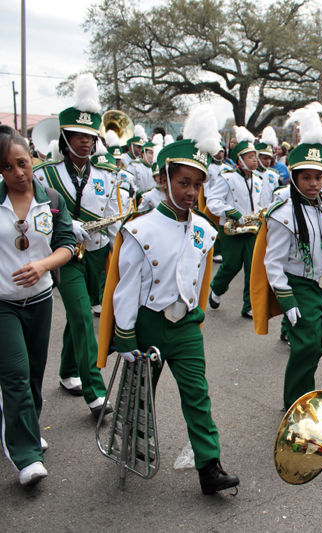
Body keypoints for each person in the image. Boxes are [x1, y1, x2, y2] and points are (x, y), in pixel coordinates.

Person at [99, 105, 240, 495]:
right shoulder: (140, 229)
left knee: (198, 395)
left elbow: (198, 277)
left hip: (186, 326)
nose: (191, 192)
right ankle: (130, 445)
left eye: (197, 184)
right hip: (147, 325)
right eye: (183, 183)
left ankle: (209, 466)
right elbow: (125, 288)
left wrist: (195, 314)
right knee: (138, 396)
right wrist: (125, 336)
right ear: (163, 180)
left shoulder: (204, 230)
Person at [32, 74, 116, 418]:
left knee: (77, 317)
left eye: (90, 136)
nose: (85, 142)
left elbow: (113, 218)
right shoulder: (45, 174)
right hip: (63, 255)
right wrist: (66, 224)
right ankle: (95, 393)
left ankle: (68, 373)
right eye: (78, 136)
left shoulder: (108, 173)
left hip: (96, 253)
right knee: (83, 316)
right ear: (65, 138)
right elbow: (36, 216)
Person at [256, 103, 322, 410]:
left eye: (318, 177)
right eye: (306, 177)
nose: (313, 183)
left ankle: (302, 396)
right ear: (294, 177)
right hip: (300, 287)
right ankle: (296, 403)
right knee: (306, 347)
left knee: (318, 347)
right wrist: (288, 300)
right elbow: (274, 262)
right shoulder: (283, 214)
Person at [0, 126, 75, 485]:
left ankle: (27, 425)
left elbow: (66, 245)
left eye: (22, 163)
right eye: (6, 167)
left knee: (32, 374)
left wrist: (43, 265)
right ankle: (26, 455)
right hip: (3, 305)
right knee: (14, 376)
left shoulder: (53, 199)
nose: (17, 173)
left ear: (32, 159)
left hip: (41, 300)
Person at [207, 126, 262, 318]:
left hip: (252, 229)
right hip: (231, 228)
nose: (255, 160)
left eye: (255, 156)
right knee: (231, 265)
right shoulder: (227, 178)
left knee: (252, 266)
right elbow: (212, 201)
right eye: (250, 157)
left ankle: (249, 305)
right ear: (239, 160)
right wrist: (231, 212)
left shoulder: (259, 180)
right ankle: (217, 288)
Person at [256, 127, 281, 206]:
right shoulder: (251, 174)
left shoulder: (274, 175)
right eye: (265, 158)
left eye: (270, 158)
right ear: (257, 158)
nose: (268, 161)